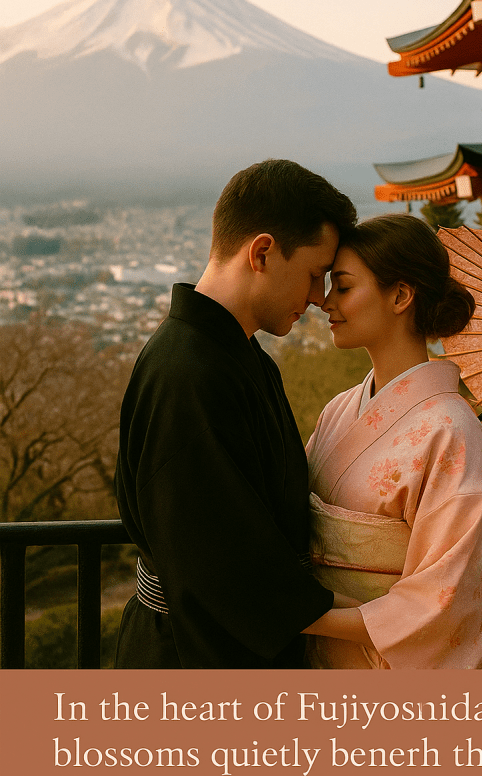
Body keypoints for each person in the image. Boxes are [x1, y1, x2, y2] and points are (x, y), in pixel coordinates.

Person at [115, 159, 357, 668]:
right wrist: (380, 620)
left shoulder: (235, 357)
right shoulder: (187, 372)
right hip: (191, 655)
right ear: (263, 252)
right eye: (315, 275)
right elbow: (220, 561)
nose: (319, 297)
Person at [302, 214, 482, 669]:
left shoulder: (452, 434)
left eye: (343, 287)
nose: (325, 302)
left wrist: (300, 615)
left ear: (401, 296)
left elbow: (442, 608)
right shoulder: (339, 410)